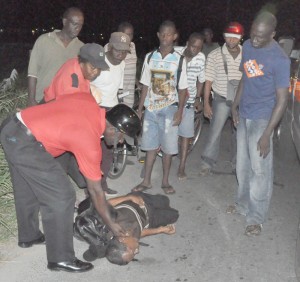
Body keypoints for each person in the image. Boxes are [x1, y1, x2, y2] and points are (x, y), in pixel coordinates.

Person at [0, 94, 141, 272]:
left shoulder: (90, 103)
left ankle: (29, 236)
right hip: (25, 141)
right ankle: (61, 259)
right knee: (62, 196)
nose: (121, 143)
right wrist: (112, 224)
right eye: (122, 138)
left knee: (26, 186)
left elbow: (59, 103)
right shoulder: (88, 138)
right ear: (114, 129)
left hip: (12, 127)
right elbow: (95, 191)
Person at [228, 12, 290, 236]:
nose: (255, 40)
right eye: (253, 34)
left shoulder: (280, 59)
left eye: (261, 37)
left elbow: (283, 100)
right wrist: (235, 105)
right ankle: (243, 205)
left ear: (272, 34)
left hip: (264, 117)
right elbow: (246, 77)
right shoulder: (248, 46)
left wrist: (267, 134)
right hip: (244, 113)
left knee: (259, 170)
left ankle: (256, 217)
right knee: (242, 166)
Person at [132, 20, 188, 194]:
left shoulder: (179, 60)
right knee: (149, 146)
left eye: (169, 34)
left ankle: (165, 181)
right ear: (158, 35)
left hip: (170, 108)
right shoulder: (150, 57)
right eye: (162, 34)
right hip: (151, 108)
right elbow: (145, 86)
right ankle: (146, 181)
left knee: (169, 148)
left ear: (175, 36)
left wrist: (179, 112)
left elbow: (183, 89)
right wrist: (140, 109)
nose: (165, 37)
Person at [74, 191, 179, 265]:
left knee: (164, 200)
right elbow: (140, 233)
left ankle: (137, 192)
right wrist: (161, 230)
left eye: (133, 251)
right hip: (150, 218)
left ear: (122, 239)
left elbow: (106, 204)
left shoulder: (112, 224)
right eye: (134, 253)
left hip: (139, 201)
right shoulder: (131, 239)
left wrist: (129, 198)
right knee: (174, 215)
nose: (137, 251)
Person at [199, 22, 244, 176]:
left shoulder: (247, 54)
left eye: (235, 37)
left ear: (240, 38)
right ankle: (207, 162)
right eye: (229, 37)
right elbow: (208, 81)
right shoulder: (214, 55)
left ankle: (238, 164)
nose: (231, 40)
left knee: (240, 133)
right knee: (215, 132)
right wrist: (206, 103)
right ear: (224, 37)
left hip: (241, 101)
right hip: (221, 99)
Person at [91, 32, 131, 195]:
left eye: (124, 51)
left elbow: (118, 89)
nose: (120, 55)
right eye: (117, 50)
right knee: (93, 151)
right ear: (110, 46)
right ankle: (91, 187)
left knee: (109, 149)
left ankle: (102, 183)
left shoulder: (121, 64)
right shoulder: (97, 62)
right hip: (95, 109)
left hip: (112, 110)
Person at [27, 7, 84, 106]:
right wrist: (31, 100)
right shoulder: (44, 41)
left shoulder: (82, 48)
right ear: (65, 21)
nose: (78, 28)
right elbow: (32, 74)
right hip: (41, 100)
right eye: (74, 24)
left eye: (80, 25)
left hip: (67, 103)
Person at [175, 32, 206, 180]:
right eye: (193, 46)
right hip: (172, 98)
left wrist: (198, 98)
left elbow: (201, 80)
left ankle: (182, 167)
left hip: (189, 99)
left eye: (199, 48)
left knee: (186, 134)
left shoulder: (201, 58)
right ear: (187, 43)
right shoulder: (176, 53)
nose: (195, 50)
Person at [117, 22, 138, 108]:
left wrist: (137, 82)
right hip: (118, 93)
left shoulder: (132, 46)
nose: (129, 38)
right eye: (126, 34)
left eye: (131, 34)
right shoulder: (112, 48)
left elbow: (132, 67)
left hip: (130, 93)